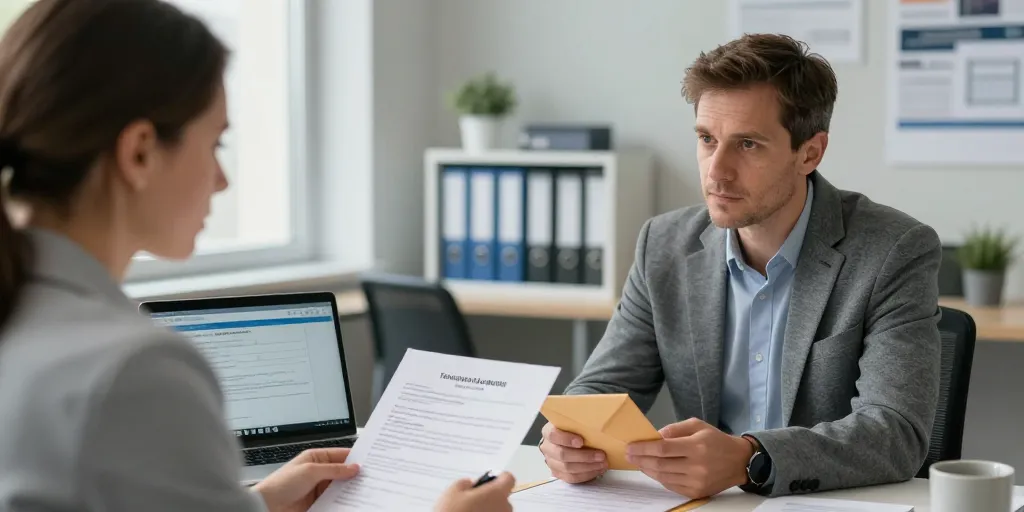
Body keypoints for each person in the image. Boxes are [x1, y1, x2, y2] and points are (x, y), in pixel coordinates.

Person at [0, 1, 515, 511]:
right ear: (139, 152)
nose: (222, 180)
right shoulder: (133, 370)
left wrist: (258, 502)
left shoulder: (26, 319)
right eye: (216, 144)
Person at [539, 33, 942, 499]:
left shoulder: (893, 250)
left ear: (809, 153)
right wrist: (567, 438)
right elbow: (604, 386)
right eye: (707, 139)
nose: (717, 171)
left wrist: (750, 458)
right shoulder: (663, 246)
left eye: (747, 144)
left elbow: (895, 433)